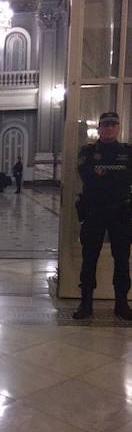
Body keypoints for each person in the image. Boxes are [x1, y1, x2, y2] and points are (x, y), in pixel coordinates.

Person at [73, 111, 132, 320]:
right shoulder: (88, 152)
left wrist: (105, 174)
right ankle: (86, 303)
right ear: (99, 128)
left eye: (113, 125)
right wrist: (114, 176)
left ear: (118, 128)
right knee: (89, 258)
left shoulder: (127, 152)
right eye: (105, 125)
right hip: (95, 210)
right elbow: (88, 177)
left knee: (122, 260)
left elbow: (126, 179)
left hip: (120, 213)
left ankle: (122, 304)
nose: (109, 129)